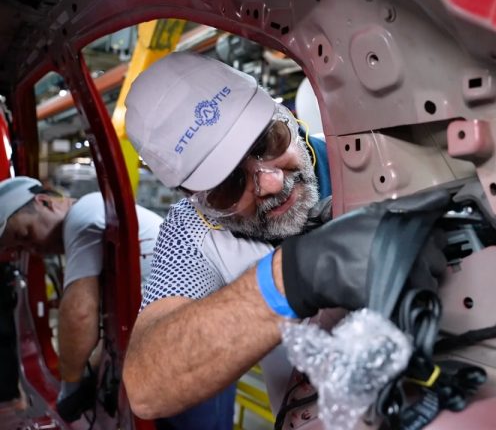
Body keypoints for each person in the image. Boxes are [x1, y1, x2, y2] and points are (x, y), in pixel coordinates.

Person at [122, 52, 448, 429]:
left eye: (270, 142)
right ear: (192, 196)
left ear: (287, 116)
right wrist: (293, 276)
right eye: (230, 185)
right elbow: (146, 385)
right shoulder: (195, 228)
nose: (272, 183)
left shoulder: (371, 156)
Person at [0, 175, 164, 422]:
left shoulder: (82, 216)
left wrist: (70, 389)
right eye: (22, 247)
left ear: (44, 202)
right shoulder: (95, 213)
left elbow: (79, 313)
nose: (32, 249)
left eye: (26, 234)